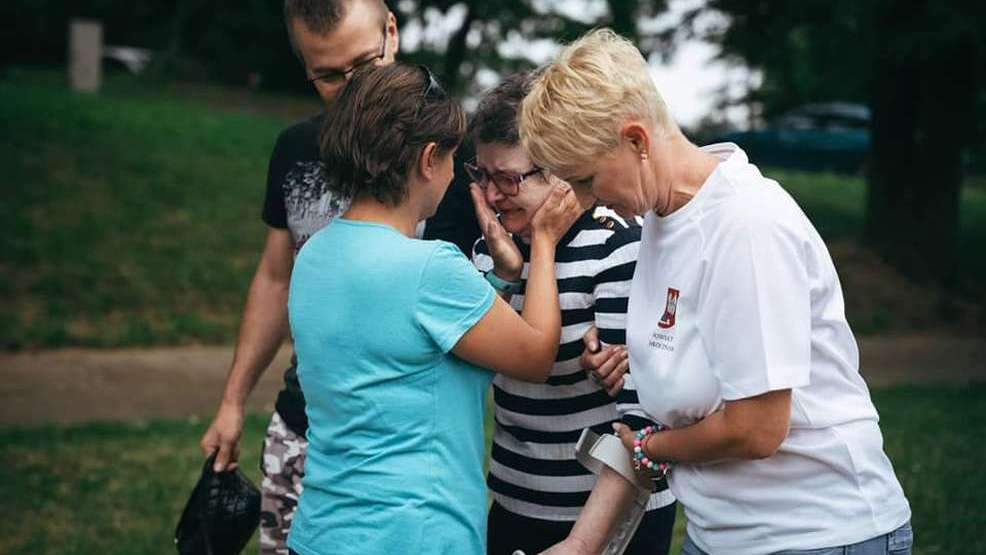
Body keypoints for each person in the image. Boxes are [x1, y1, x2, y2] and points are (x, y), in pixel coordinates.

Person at [520, 29, 913, 555]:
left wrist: (651, 449)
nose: (588, 202)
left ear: (636, 141)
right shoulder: (663, 217)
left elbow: (756, 429)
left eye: (588, 180)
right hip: (723, 533)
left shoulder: (745, 223)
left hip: (817, 533)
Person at [196, 1, 478, 553]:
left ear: (391, 33)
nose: (350, 89)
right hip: (301, 428)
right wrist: (232, 401)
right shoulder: (295, 150)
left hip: (402, 459)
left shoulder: (450, 155)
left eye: (362, 66)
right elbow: (276, 278)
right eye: (328, 75)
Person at [286, 62, 583, 555]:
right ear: (428, 159)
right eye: (454, 158)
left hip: (321, 532)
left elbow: (414, 343)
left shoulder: (315, 254)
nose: (455, 173)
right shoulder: (429, 268)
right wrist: (545, 242)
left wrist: (501, 279)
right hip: (413, 535)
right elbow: (534, 355)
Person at [465, 72, 676, 555]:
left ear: (560, 166)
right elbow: (470, 367)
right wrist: (503, 275)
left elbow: (643, 416)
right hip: (515, 503)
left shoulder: (616, 249)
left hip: (607, 520)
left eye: (510, 178)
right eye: (482, 175)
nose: (494, 196)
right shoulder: (490, 251)